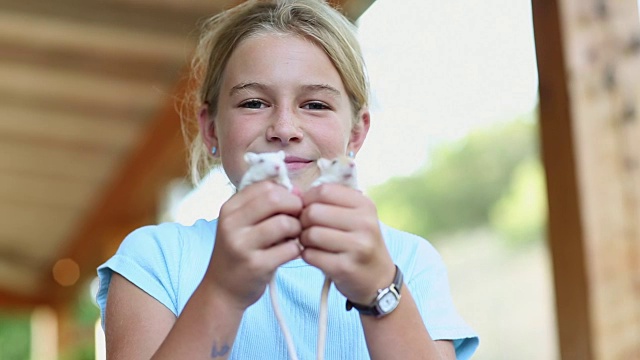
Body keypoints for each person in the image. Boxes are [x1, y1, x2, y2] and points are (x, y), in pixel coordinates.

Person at [96, 0, 479, 359]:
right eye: (253, 103)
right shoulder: (156, 260)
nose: (284, 128)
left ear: (356, 134)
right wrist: (224, 290)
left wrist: (381, 290)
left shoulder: (410, 263)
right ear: (211, 131)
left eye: (315, 104)